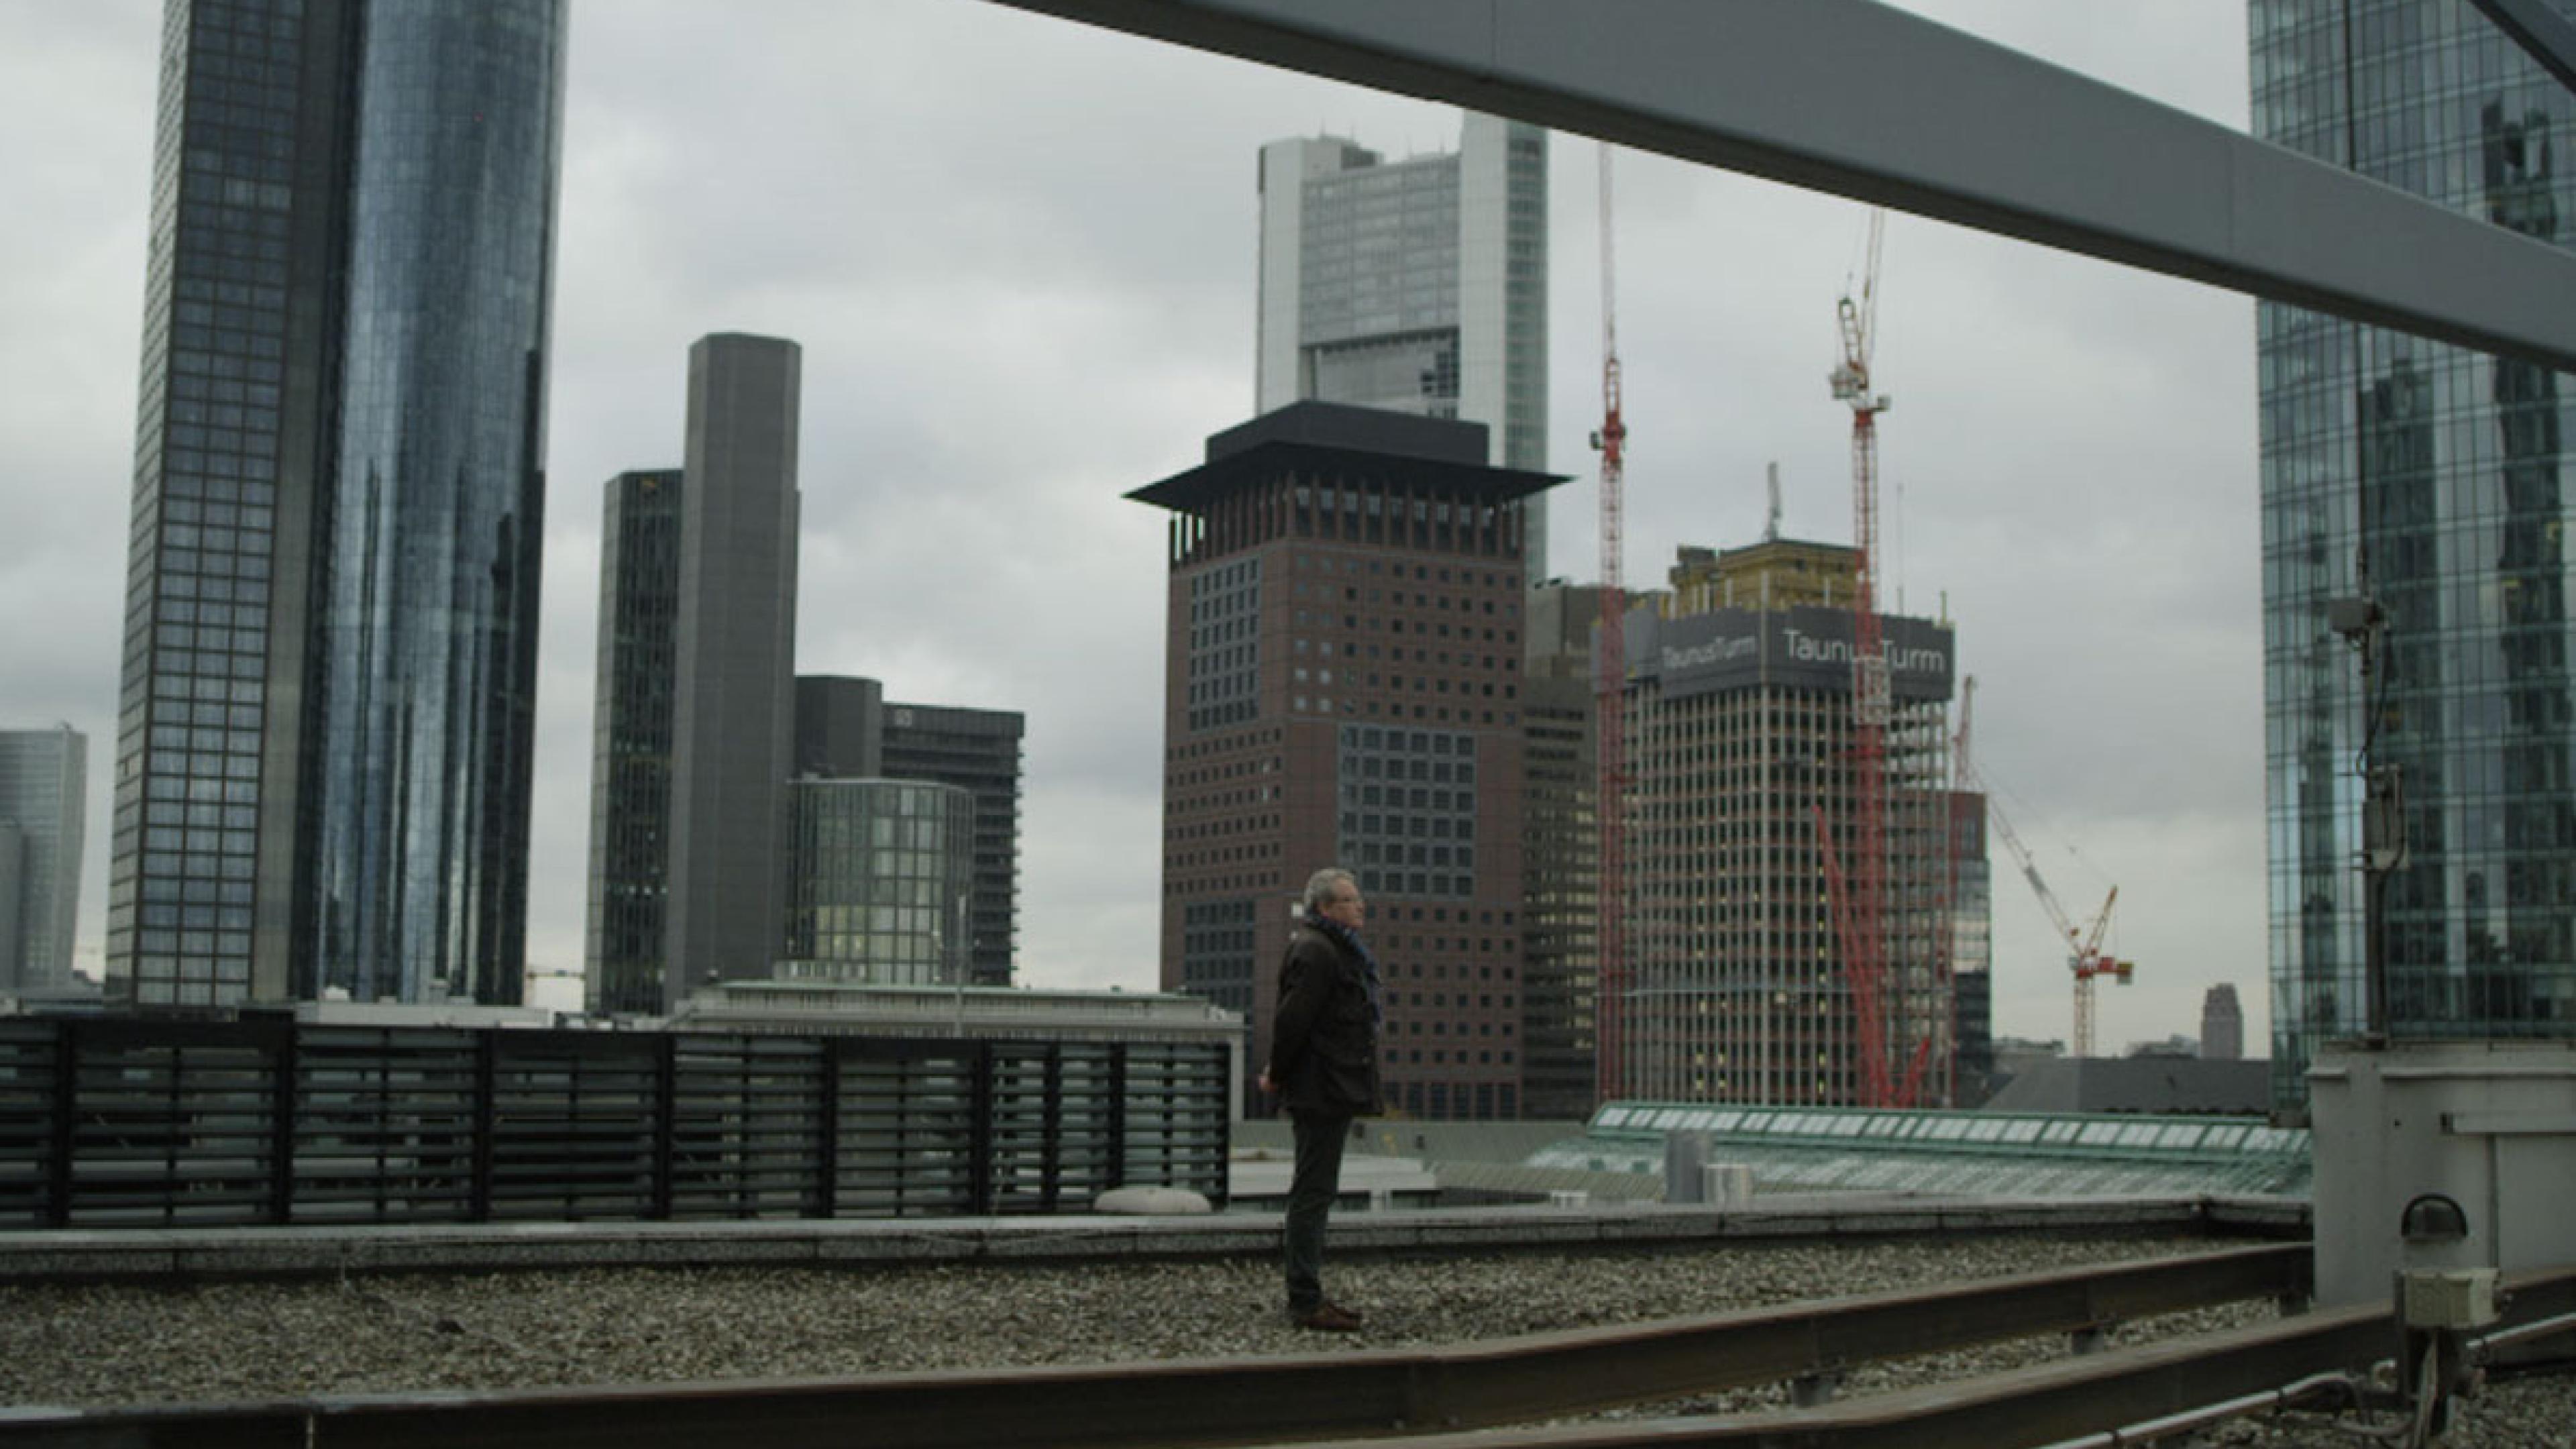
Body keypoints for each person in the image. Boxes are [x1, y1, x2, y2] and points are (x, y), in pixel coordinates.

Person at [1257, 866, 1383, 1331]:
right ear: (1326, 908)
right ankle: (1305, 1300)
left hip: (1333, 1084)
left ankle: (1309, 1294)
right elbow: (1293, 1022)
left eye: (1358, 898)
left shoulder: (1337, 951)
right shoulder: (1317, 951)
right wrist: (1278, 1074)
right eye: (1350, 900)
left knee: (1317, 1189)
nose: (1360, 906)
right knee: (1312, 1192)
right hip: (1320, 1087)